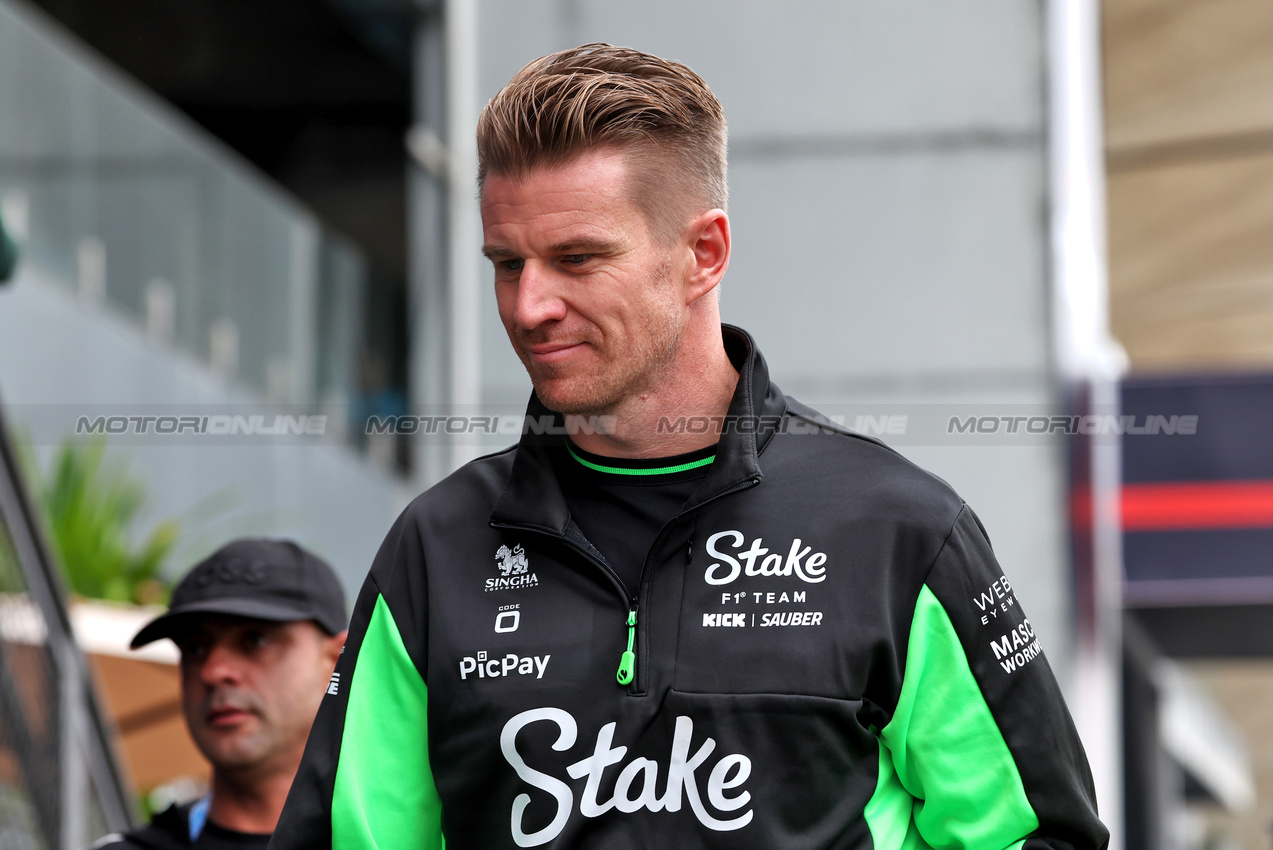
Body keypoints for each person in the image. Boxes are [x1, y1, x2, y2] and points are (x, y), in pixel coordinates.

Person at [272, 44, 1110, 849]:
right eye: (506, 263)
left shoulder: (897, 528)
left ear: (702, 255)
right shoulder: (435, 546)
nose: (529, 307)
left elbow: (1036, 836)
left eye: (576, 259)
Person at [93, 539, 347, 850]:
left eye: (255, 640)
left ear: (336, 662)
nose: (212, 671)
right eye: (195, 648)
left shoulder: (390, 838)